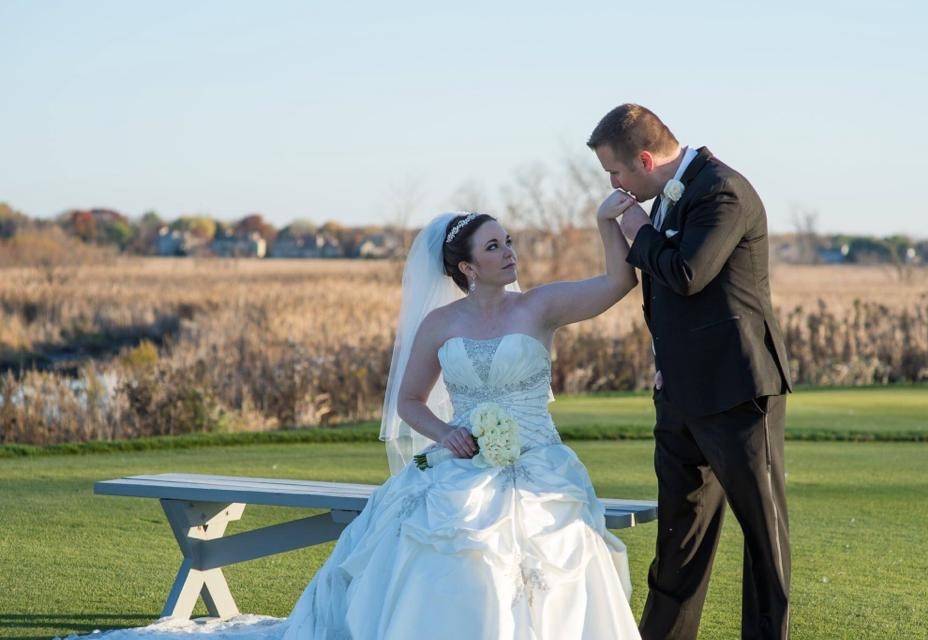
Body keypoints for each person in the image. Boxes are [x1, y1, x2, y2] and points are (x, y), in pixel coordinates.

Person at [69, 199, 647, 640]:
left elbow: (618, 283)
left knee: (550, 553)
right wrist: (445, 432)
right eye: (494, 247)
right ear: (467, 267)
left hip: (539, 463)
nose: (509, 253)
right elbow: (411, 400)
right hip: (462, 460)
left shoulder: (539, 306)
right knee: (440, 547)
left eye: (509, 241)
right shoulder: (440, 326)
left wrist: (607, 226)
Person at [588, 103, 794, 640]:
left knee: (763, 535)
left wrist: (633, 223)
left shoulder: (724, 191)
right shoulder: (664, 198)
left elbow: (687, 273)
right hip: (678, 395)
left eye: (616, 171)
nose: (614, 183)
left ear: (646, 158)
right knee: (680, 535)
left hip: (738, 391)